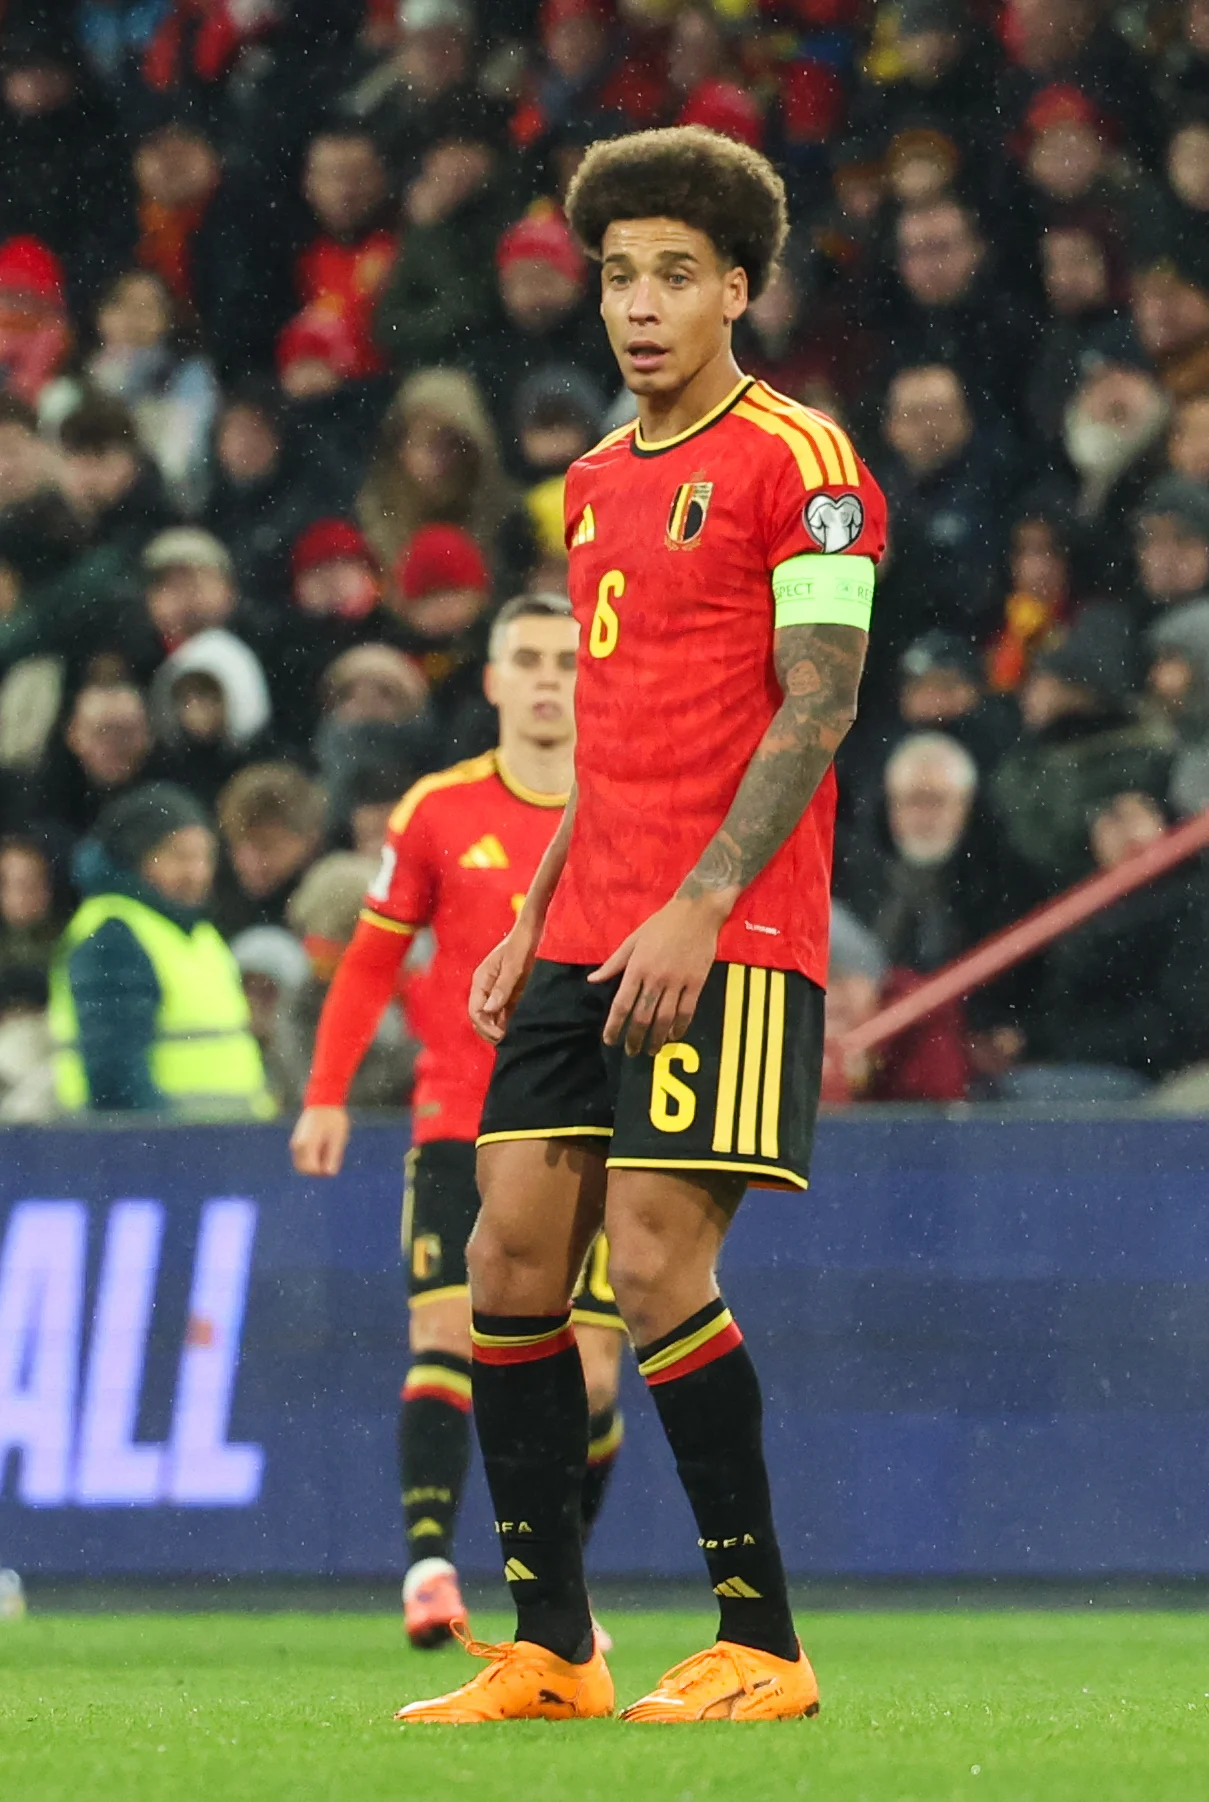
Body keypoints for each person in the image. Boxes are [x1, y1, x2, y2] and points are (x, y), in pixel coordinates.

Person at [396, 125, 886, 1727]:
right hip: (584, 925)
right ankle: (557, 1644)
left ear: (739, 289)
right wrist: (534, 904)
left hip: (726, 937)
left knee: (659, 1259)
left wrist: (693, 903)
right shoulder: (595, 483)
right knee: (505, 1262)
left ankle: (764, 1639)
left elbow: (820, 705)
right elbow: (613, 730)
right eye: (618, 277)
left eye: (676, 275)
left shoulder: (802, 461)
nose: (641, 305)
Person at [291, 594, 626, 1649]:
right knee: (446, 1328)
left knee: (601, 1370)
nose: (545, 678)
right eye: (524, 658)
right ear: (489, 680)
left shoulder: (631, 805)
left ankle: (555, 1589)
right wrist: (326, 1091)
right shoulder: (437, 810)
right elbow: (373, 958)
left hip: (597, 1120)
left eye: (566, 660)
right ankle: (432, 1568)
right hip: (460, 1120)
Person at [48, 782, 272, 1117]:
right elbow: (115, 1075)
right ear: (137, 857)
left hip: (218, 1147)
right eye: (178, 855)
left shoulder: (196, 931)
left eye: (204, 856)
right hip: (164, 1154)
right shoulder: (114, 936)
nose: (196, 872)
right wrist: (163, 1145)